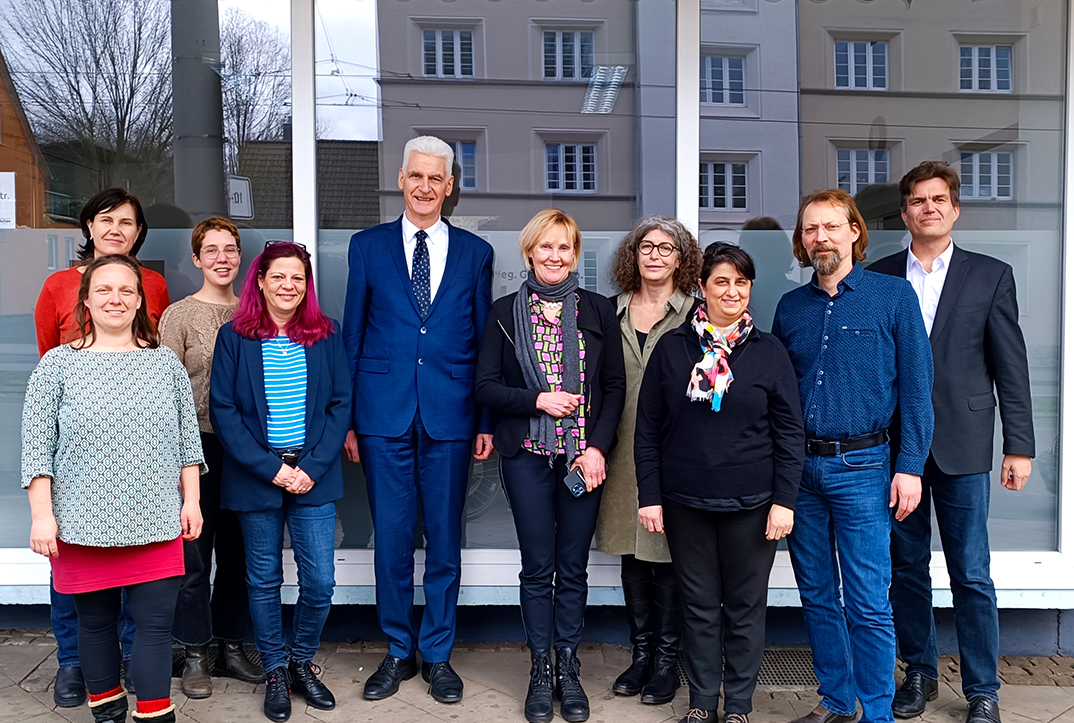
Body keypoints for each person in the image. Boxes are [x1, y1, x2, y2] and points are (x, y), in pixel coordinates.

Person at [870, 162, 1035, 723]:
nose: (928, 208)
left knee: (971, 571)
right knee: (906, 566)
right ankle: (918, 673)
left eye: (939, 199)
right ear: (906, 211)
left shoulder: (990, 275)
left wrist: (1020, 446)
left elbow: (1010, 366)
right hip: (895, 449)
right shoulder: (880, 275)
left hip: (963, 445)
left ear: (955, 208)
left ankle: (983, 688)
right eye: (918, 200)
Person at [771, 189, 934, 723]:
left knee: (868, 601)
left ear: (854, 233)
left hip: (864, 469)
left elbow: (916, 391)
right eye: (811, 229)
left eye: (832, 227)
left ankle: (879, 712)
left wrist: (909, 467)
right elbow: (777, 395)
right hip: (801, 471)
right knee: (817, 596)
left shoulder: (893, 297)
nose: (821, 237)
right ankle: (838, 703)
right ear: (802, 240)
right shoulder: (790, 307)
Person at [342, 135, 494, 704]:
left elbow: (482, 346)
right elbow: (353, 334)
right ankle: (398, 650)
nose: (426, 187)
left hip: (451, 414)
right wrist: (352, 422)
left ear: (449, 186)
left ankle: (438, 654)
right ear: (401, 180)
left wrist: (481, 418)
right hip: (382, 415)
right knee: (393, 542)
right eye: (417, 177)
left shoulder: (476, 253)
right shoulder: (367, 247)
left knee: (446, 541)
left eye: (437, 178)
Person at [22, 254, 204, 723]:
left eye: (127, 290)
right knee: (97, 624)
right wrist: (43, 517)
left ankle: (155, 716)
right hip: (82, 523)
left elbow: (187, 442)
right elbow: (36, 450)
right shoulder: (57, 367)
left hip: (157, 518)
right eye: (103, 289)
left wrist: (192, 501)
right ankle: (108, 715)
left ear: (141, 301)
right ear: (86, 299)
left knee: (156, 627)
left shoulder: (165, 364)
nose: (115, 298)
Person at [635, 242, 805, 723]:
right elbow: (647, 428)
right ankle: (703, 703)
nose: (732, 291)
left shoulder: (769, 352)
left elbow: (790, 432)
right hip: (685, 501)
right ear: (702, 288)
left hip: (753, 505)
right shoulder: (673, 348)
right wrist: (651, 497)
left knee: (746, 608)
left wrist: (784, 502)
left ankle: (740, 707)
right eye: (722, 281)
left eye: (741, 282)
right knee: (700, 606)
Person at [476, 208, 626, 723]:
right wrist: (538, 400)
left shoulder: (598, 309)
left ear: (575, 254)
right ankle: (541, 669)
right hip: (528, 457)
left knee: (574, 566)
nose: (555, 256)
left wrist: (597, 448)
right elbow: (486, 387)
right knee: (538, 567)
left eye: (564, 247)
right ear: (529, 253)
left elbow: (613, 388)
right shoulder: (502, 312)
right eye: (546, 247)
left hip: (583, 458)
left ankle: (568, 663)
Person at [33, 187, 171, 707]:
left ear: (139, 234)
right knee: (74, 573)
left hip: (138, 463)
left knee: (141, 578)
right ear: (89, 226)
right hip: (80, 462)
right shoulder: (56, 286)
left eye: (128, 222)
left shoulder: (153, 284)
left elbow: (153, 349)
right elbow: (51, 352)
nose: (116, 229)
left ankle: (134, 660)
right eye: (106, 219)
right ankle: (73, 663)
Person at [209, 241, 351, 722]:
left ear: (306, 285)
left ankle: (300, 661)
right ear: (261, 281)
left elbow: (340, 406)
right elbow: (224, 411)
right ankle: (274, 670)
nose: (289, 285)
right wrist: (272, 469)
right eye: (279, 277)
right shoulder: (235, 337)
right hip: (257, 477)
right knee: (263, 580)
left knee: (320, 582)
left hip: (314, 475)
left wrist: (310, 466)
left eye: (298, 278)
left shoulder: (327, 334)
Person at [595, 216, 702, 705]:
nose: (655, 254)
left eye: (667, 248)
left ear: (681, 259)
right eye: (646, 246)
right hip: (616, 449)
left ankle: (666, 662)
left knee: (668, 558)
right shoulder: (606, 312)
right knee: (630, 554)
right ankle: (640, 656)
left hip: (676, 452)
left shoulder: (696, 313)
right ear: (632, 255)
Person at [159, 217, 265, 699]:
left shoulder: (257, 312)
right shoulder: (179, 316)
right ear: (197, 259)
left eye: (231, 249)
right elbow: (164, 394)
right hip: (196, 449)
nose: (223, 258)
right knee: (194, 555)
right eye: (212, 250)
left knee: (242, 552)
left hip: (247, 448)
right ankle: (196, 652)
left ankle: (232, 645)